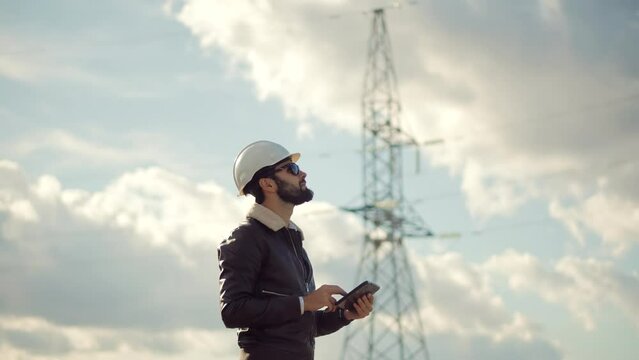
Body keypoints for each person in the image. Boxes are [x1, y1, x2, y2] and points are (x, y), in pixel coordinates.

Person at [218, 140, 375, 360]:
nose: (303, 173)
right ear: (268, 184)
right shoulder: (245, 237)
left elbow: (299, 324)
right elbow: (233, 311)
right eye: (292, 169)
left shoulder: (292, 241)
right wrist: (306, 302)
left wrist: (344, 314)